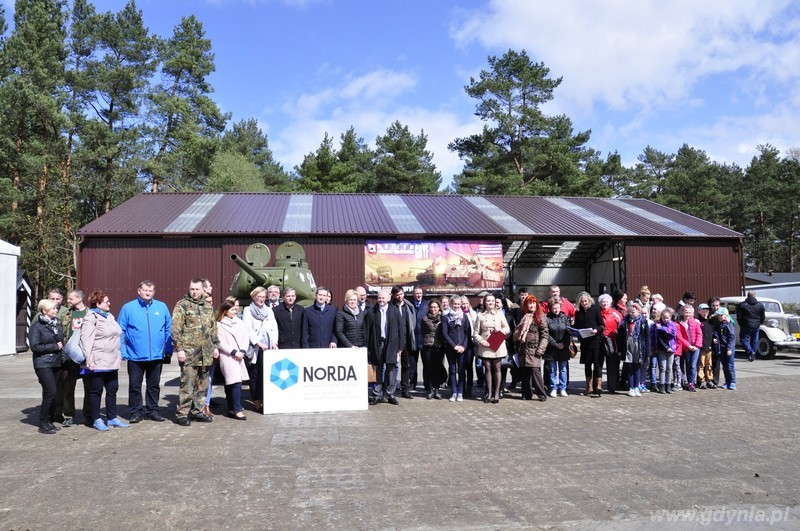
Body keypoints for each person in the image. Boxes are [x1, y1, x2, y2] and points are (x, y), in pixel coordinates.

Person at [118, 281, 172, 423]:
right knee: (135, 386)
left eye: (151, 290)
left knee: (153, 386)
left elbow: (168, 329)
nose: (148, 292)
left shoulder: (161, 307)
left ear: (154, 292)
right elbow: (120, 331)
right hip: (135, 356)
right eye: (145, 290)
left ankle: (152, 410)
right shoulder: (128, 308)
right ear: (139, 291)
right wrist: (123, 351)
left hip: (156, 356)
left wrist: (168, 349)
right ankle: (136, 412)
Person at [171, 278, 219, 426]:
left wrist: (215, 346)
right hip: (189, 353)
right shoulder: (182, 305)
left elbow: (213, 328)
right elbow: (175, 329)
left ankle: (198, 411)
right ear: (189, 288)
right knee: (187, 385)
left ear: (202, 289)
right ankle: (182, 414)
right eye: (192, 289)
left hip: (206, 353)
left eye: (197, 289)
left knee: (202, 385)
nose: (194, 292)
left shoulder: (208, 306)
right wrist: (179, 349)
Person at [81, 290, 129, 431]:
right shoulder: (91, 317)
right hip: (98, 360)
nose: (109, 303)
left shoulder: (109, 316)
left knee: (112, 389)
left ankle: (112, 418)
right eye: (106, 301)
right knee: (96, 391)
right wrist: (89, 359)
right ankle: (96, 419)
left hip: (112, 361)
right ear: (97, 303)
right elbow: (86, 339)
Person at [29, 299, 65, 434]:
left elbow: (62, 342)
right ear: (44, 311)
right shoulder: (36, 326)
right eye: (54, 309)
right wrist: (54, 346)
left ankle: (49, 420)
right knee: (51, 391)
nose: (56, 310)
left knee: (52, 393)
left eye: (56, 308)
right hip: (43, 363)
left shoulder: (57, 324)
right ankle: (43, 423)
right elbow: (35, 346)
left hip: (56, 362)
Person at [365, 288, 406, 405]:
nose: (381, 300)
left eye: (383, 298)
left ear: (389, 298)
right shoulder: (372, 311)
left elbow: (400, 329)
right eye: (379, 298)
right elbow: (368, 330)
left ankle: (390, 394)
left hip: (391, 344)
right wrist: (368, 347)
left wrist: (400, 347)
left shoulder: (395, 311)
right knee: (377, 369)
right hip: (377, 344)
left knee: (391, 370)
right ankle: (377, 394)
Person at [54, 289, 87, 427]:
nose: (68, 301)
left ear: (79, 299)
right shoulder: (67, 314)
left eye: (71, 298)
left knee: (90, 387)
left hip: (86, 356)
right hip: (69, 358)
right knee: (68, 387)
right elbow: (61, 333)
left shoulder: (90, 314)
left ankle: (89, 414)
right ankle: (68, 415)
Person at [243, 286, 279, 412]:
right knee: (254, 375)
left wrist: (274, 341)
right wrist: (258, 342)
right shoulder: (248, 310)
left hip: (268, 347)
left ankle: (265, 398)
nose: (261, 299)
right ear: (254, 297)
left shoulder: (269, 310)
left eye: (263, 297)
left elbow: (274, 327)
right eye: (259, 297)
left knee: (266, 374)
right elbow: (247, 328)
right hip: (255, 348)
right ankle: (256, 400)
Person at [215, 297, 250, 420]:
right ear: (225, 311)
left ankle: (232, 408)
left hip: (239, 356)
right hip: (228, 356)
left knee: (233, 382)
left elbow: (246, 337)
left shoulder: (240, 322)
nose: (235, 311)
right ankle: (236, 409)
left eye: (236, 309)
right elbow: (219, 342)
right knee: (234, 382)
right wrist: (234, 352)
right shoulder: (219, 324)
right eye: (233, 309)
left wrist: (243, 351)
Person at [473, 293, 510, 404]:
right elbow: (475, 333)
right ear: (484, 302)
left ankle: (497, 393)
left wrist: (501, 330)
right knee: (487, 368)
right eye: (488, 301)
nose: (490, 303)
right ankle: (488, 392)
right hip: (485, 345)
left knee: (497, 367)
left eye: (492, 301)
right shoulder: (480, 315)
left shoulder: (499, 314)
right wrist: (481, 341)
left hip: (497, 344)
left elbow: (507, 328)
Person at [513, 295, 549, 402]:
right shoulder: (523, 315)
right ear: (526, 305)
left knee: (535, 371)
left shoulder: (541, 316)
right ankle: (526, 394)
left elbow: (545, 335)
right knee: (525, 372)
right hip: (523, 348)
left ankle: (541, 394)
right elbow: (517, 332)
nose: (532, 305)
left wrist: (540, 349)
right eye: (530, 303)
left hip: (534, 348)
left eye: (534, 303)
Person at [574, 292, 604, 397]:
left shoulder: (595, 309)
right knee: (587, 365)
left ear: (589, 301)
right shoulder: (578, 313)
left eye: (585, 301)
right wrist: (573, 330)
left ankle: (598, 386)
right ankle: (589, 387)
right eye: (582, 301)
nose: (584, 303)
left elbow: (602, 325)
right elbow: (576, 326)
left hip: (595, 341)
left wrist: (596, 330)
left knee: (597, 364)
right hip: (585, 342)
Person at [617, 302, 650, 397]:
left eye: (633, 312)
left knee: (637, 367)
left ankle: (636, 387)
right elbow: (620, 336)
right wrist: (620, 349)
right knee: (630, 367)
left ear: (639, 312)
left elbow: (647, 337)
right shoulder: (625, 321)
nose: (631, 314)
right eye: (630, 312)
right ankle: (631, 388)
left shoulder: (643, 321)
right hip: (628, 345)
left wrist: (647, 351)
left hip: (639, 346)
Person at [442, 296, 471, 402]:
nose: (457, 306)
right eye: (455, 304)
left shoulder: (464, 317)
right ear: (451, 304)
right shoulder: (446, 317)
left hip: (462, 349)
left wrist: (463, 346)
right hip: (451, 348)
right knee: (453, 370)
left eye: (458, 304)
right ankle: (454, 392)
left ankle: (460, 392)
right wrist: (454, 346)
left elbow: (468, 333)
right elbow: (445, 333)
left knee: (461, 370)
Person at [391, 286, 417, 398]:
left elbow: (412, 323)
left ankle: (405, 389)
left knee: (406, 365)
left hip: (406, 340)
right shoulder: (391, 307)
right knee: (391, 365)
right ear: (393, 295)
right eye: (397, 294)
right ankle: (390, 389)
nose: (399, 296)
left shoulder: (408, 306)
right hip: (394, 341)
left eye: (401, 294)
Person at [545, 298, 571, 397]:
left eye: (558, 308)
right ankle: (553, 388)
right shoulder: (547, 318)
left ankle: (563, 388)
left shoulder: (564, 317)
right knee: (552, 369)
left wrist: (564, 343)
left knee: (563, 369)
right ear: (550, 308)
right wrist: (555, 344)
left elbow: (568, 331)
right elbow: (546, 333)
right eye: (554, 308)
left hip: (563, 347)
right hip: (551, 348)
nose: (556, 310)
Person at [598, 294, 622, 394]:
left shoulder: (616, 313)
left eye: (607, 301)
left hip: (612, 342)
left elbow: (621, 327)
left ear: (610, 303)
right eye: (603, 301)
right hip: (599, 342)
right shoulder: (597, 312)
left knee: (612, 365)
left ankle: (612, 387)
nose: (605, 303)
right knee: (598, 364)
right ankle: (597, 386)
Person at [421, 299, 444, 399]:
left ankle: (437, 390)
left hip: (439, 347)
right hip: (428, 346)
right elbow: (423, 332)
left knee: (438, 368)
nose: (433, 309)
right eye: (431, 307)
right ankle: (430, 390)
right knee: (429, 368)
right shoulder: (425, 319)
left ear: (439, 308)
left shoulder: (443, 318)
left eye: (435, 307)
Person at [651, 307, 678, 394]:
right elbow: (658, 338)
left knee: (669, 368)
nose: (665, 319)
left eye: (667, 318)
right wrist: (666, 347)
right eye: (664, 317)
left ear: (670, 317)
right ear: (661, 317)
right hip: (661, 349)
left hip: (671, 348)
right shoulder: (657, 325)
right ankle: (662, 385)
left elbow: (673, 333)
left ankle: (668, 385)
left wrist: (662, 328)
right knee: (662, 368)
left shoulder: (672, 325)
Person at [676, 305, 702, 392]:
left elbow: (699, 334)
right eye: (686, 312)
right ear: (682, 312)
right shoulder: (679, 323)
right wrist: (688, 346)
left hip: (696, 347)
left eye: (689, 312)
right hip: (686, 347)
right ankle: (685, 381)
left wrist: (697, 345)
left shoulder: (695, 322)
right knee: (687, 364)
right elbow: (680, 337)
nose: (688, 314)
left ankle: (691, 382)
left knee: (693, 365)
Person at [736, 290, 765, 362]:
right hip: (756, 325)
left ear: (747, 295)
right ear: (755, 296)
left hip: (746, 324)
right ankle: (753, 353)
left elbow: (739, 317)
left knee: (743, 339)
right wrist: (759, 322)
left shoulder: (742, 305)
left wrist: (741, 324)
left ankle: (750, 352)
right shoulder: (760, 305)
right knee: (754, 340)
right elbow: (763, 316)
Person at [410, 287, 428, 391]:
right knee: (412, 364)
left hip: (424, 339)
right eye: (416, 293)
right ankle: (412, 383)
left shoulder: (426, 304)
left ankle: (427, 384)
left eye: (420, 293)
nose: (418, 295)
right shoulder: (409, 304)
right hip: (413, 339)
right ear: (413, 294)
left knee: (427, 363)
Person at [715, 308, 737, 390]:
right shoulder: (719, 324)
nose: (719, 316)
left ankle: (732, 382)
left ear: (726, 315)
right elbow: (716, 332)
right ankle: (727, 381)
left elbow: (731, 337)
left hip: (728, 348)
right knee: (724, 366)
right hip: (721, 348)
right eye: (719, 315)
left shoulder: (729, 324)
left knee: (730, 365)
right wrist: (715, 337)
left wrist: (729, 348)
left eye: (721, 315)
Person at [696, 303, 716, 389]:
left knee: (709, 364)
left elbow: (713, 332)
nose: (705, 312)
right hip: (701, 347)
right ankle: (702, 380)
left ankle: (709, 380)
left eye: (707, 311)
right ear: (699, 311)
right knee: (701, 364)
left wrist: (714, 338)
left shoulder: (710, 321)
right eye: (703, 311)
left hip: (709, 346)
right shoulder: (698, 321)